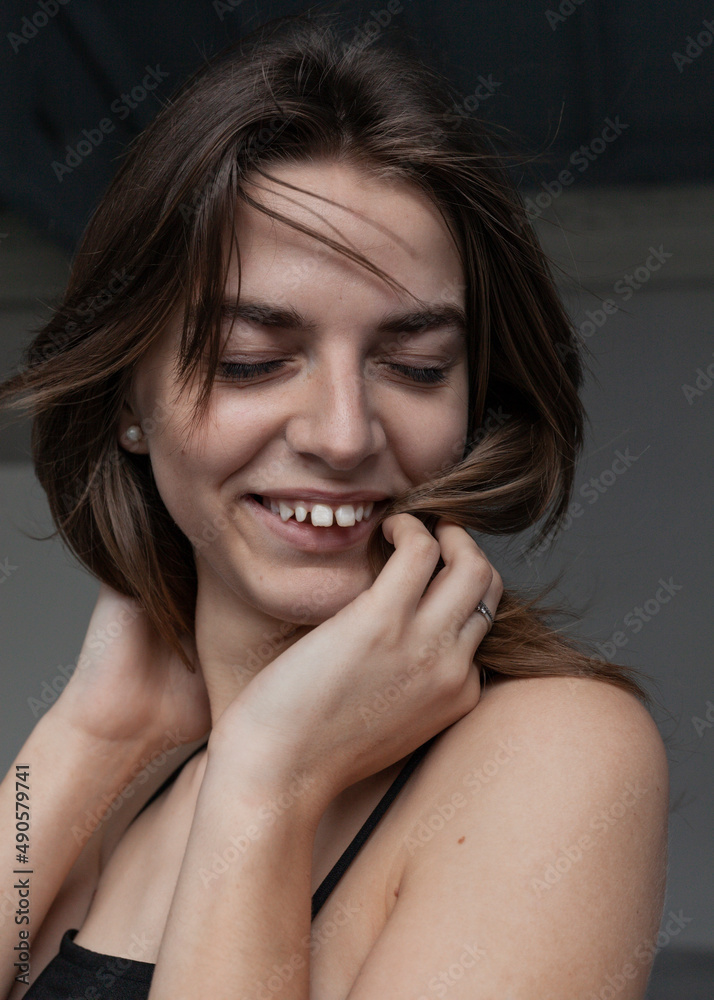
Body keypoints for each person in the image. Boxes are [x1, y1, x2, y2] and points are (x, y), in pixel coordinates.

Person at [0, 11, 668, 999]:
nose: (346, 433)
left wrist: (269, 783)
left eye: (415, 364)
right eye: (253, 359)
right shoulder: (117, 774)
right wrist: (85, 737)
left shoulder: (557, 755)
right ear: (128, 403)